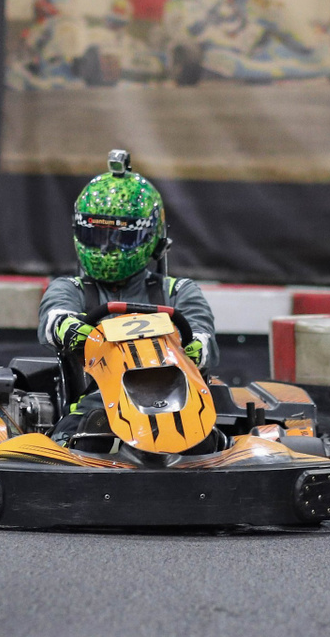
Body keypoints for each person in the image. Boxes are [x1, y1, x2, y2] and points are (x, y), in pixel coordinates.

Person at [38, 151, 220, 442]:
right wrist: (67, 327)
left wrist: (196, 346)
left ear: (151, 238)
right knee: (75, 437)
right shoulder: (69, 288)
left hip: (180, 409)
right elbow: (54, 316)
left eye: (121, 238)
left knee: (214, 441)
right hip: (98, 408)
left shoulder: (178, 291)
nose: (107, 249)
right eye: (96, 236)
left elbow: (203, 335)